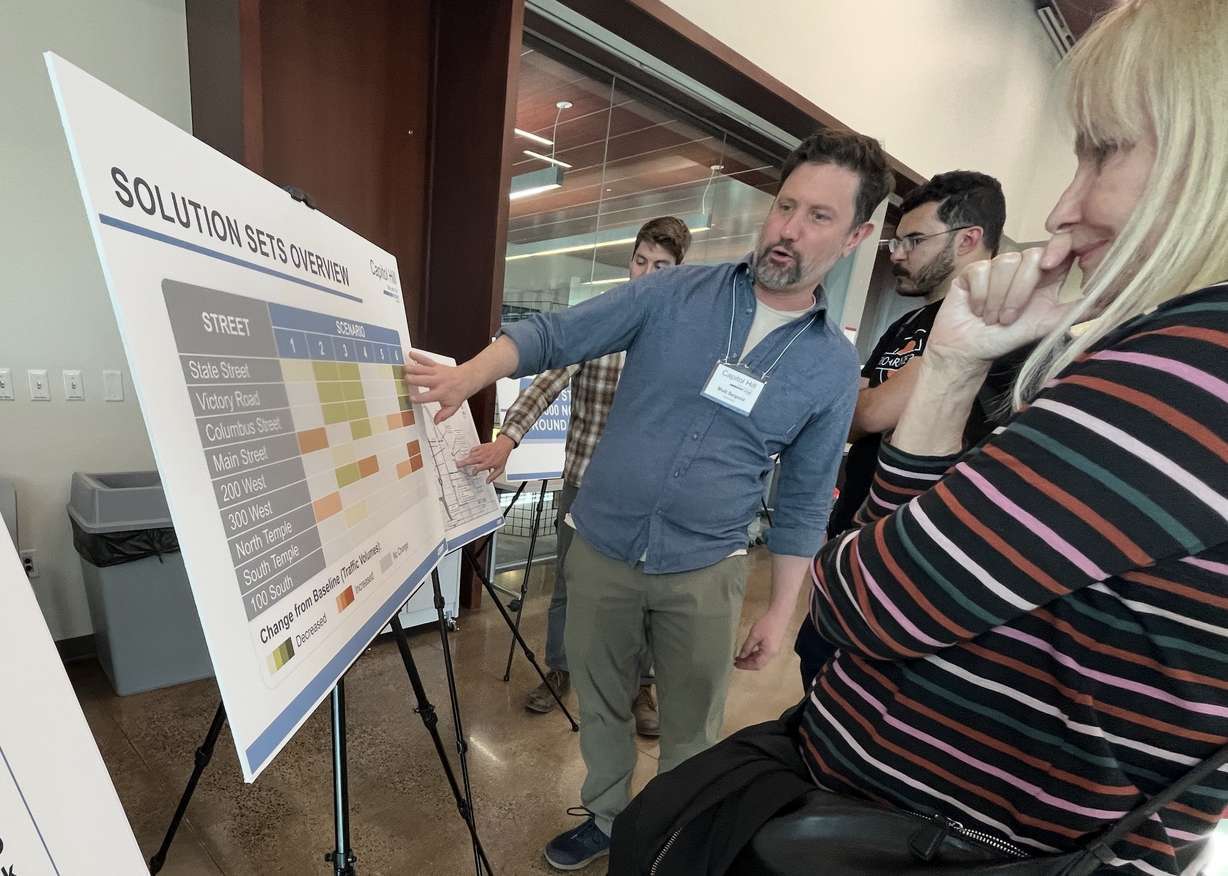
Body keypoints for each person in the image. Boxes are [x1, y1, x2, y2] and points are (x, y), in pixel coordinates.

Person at [613, 1, 1228, 873]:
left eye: (1106, 148)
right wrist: (948, 369)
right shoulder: (1160, 358)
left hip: (926, 841)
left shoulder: (1188, 373)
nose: (1066, 204)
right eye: (784, 206)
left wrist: (820, 580)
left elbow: (864, 599)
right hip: (895, 811)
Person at [405, 128, 894, 871]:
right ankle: (605, 817)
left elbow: (803, 500)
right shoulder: (673, 294)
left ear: (857, 234)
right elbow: (556, 334)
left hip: (706, 571)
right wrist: (471, 374)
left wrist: (781, 606)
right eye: (785, 205)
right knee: (600, 707)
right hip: (601, 551)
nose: (789, 229)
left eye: (819, 217)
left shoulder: (831, 368)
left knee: (691, 729)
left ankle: (672, 835)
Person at [461, 216, 692, 732]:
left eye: (662, 266)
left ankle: (642, 688)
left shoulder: (687, 338)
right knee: (570, 584)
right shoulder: (603, 320)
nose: (646, 274)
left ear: (679, 271)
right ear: (630, 260)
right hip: (586, 486)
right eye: (640, 261)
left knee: (648, 592)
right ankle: (560, 670)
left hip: (651, 497)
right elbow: (546, 383)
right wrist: (506, 439)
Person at [793, 171, 1014, 687]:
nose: (897, 252)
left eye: (914, 240)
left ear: (968, 239)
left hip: (917, 552)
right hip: (856, 528)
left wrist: (867, 404)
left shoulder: (992, 325)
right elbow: (853, 416)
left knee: (865, 682)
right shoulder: (905, 325)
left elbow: (865, 412)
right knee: (818, 659)